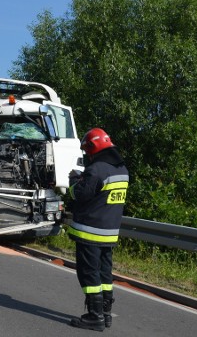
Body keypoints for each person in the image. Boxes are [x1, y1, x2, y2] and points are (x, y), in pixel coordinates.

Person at [67, 128, 129, 331]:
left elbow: (80, 194)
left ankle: (94, 317)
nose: (88, 156)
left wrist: (74, 181)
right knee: (105, 274)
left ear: (93, 148)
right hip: (109, 232)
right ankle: (105, 314)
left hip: (90, 231)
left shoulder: (97, 170)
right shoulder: (122, 170)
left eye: (88, 152)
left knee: (89, 275)